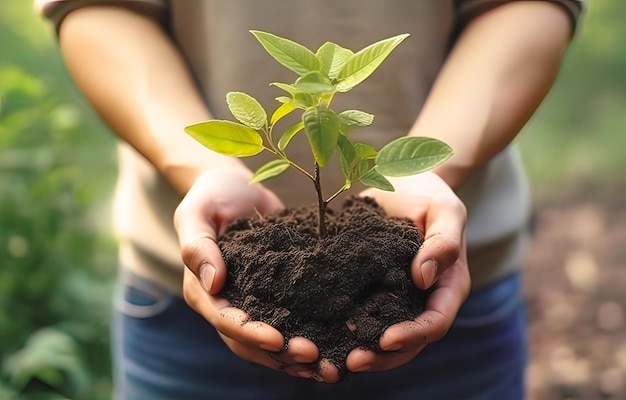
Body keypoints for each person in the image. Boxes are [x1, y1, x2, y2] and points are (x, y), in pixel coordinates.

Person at [36, 1, 585, 399]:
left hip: (440, 297)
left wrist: (432, 170)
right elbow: (96, 10)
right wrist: (203, 166)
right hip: (189, 309)